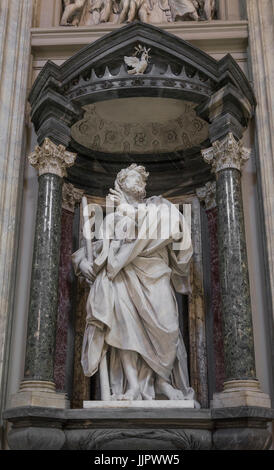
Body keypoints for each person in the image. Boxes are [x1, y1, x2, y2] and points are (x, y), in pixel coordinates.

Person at [72, 164, 198, 404]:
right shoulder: (111, 219)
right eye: (133, 176)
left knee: (167, 326)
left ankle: (162, 381)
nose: (139, 180)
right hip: (123, 277)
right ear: (120, 183)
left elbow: (175, 227)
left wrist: (129, 210)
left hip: (156, 275)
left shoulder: (159, 206)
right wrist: (82, 263)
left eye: (142, 177)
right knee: (124, 331)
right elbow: (99, 249)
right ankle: (133, 387)